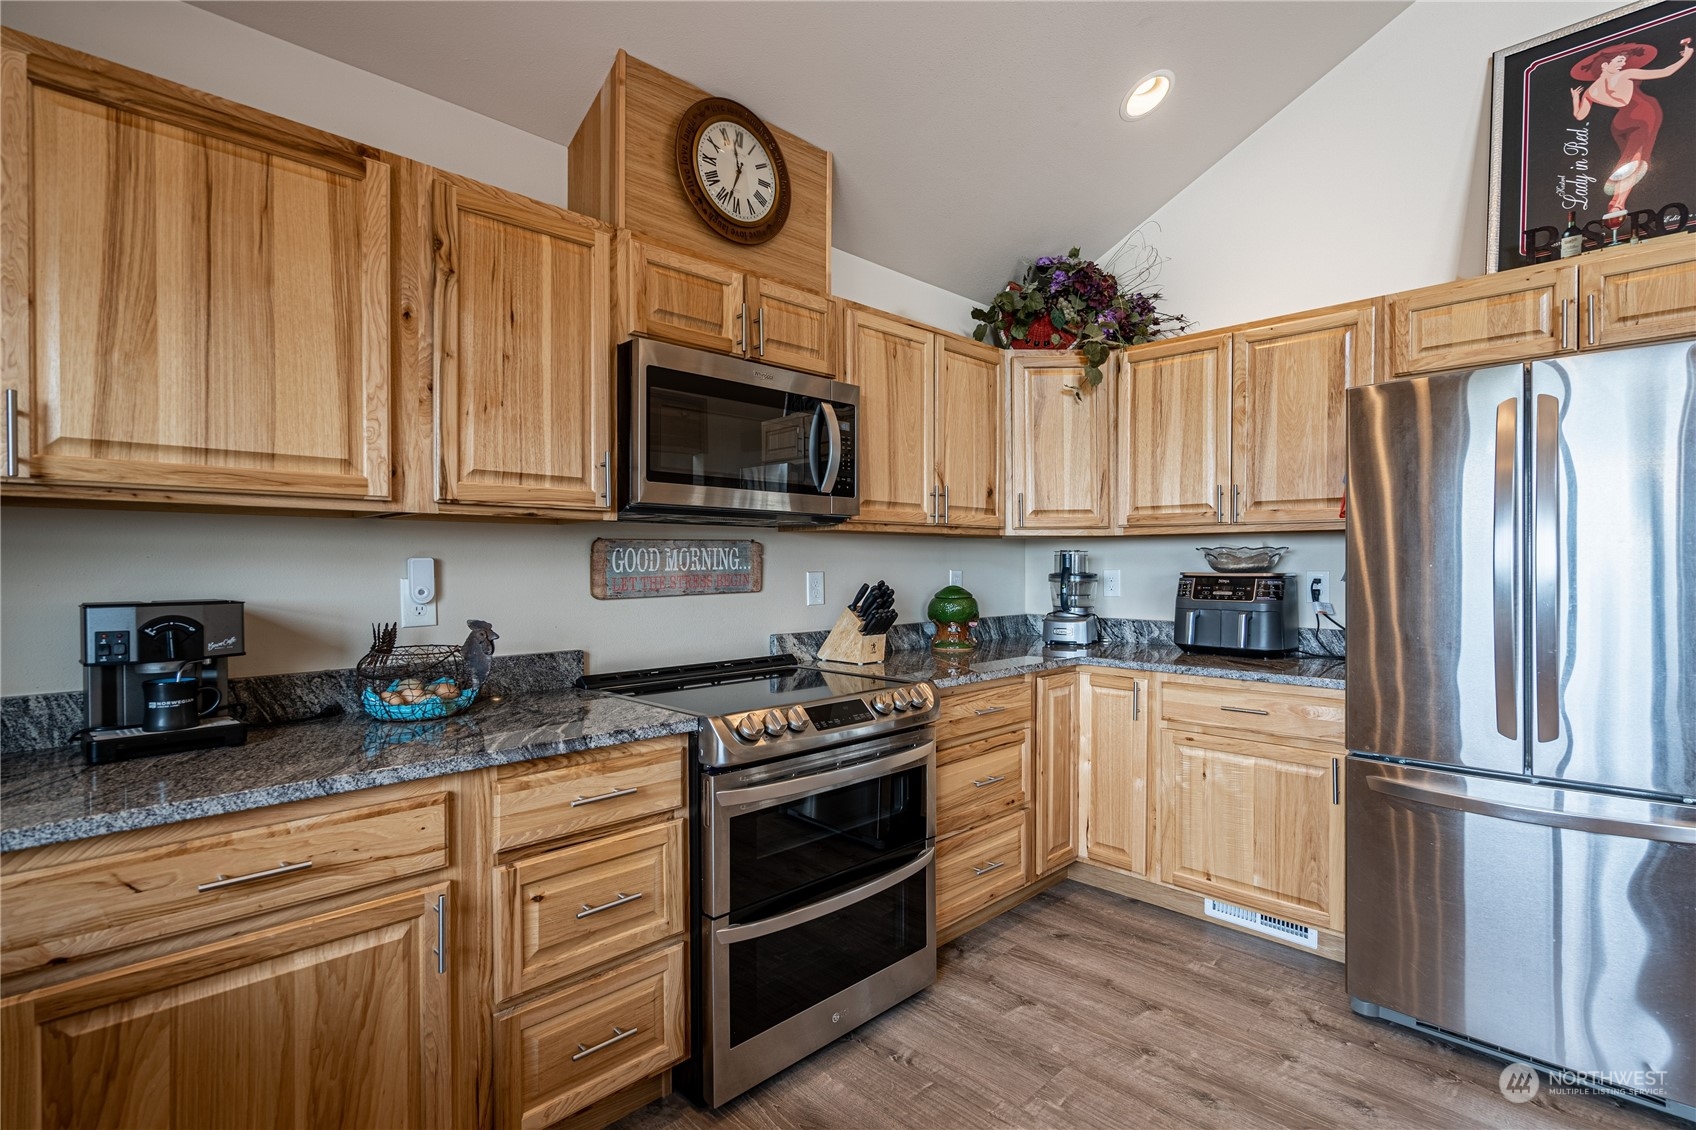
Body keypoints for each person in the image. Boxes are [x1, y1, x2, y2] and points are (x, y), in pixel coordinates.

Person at [1570, 37, 1693, 212]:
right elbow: (1666, 71)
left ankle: (1618, 202)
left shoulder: (1591, 91)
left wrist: (1576, 99)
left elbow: (1579, 115)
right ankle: (1617, 203)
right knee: (1636, 160)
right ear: (1605, 65)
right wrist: (1686, 57)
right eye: (1619, 60)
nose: (1623, 64)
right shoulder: (1626, 75)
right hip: (1644, 115)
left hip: (1620, 125)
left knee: (1629, 159)